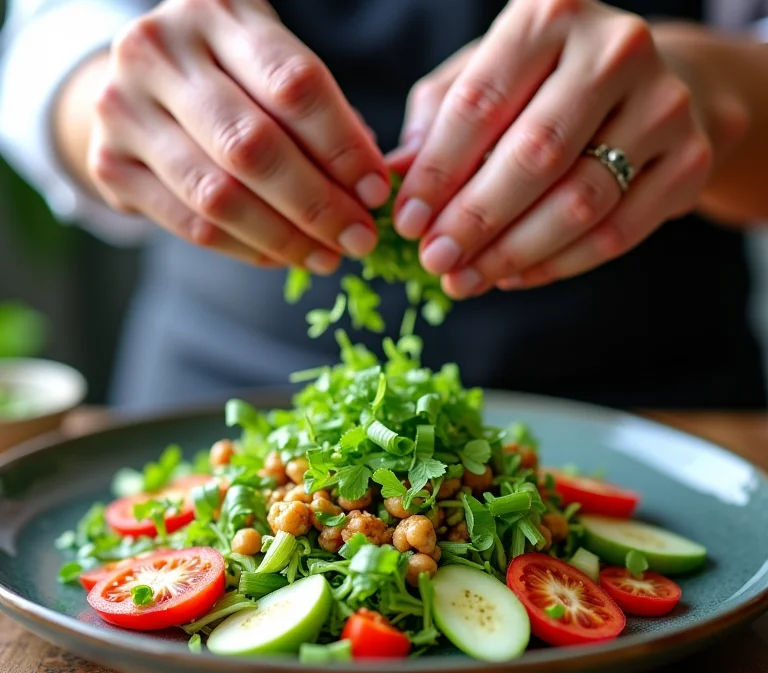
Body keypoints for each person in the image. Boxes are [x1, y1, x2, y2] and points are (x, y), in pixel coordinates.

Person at [2, 0, 768, 411]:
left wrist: (715, 88)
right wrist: (99, 90)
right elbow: (47, 36)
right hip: (211, 390)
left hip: (655, 404)